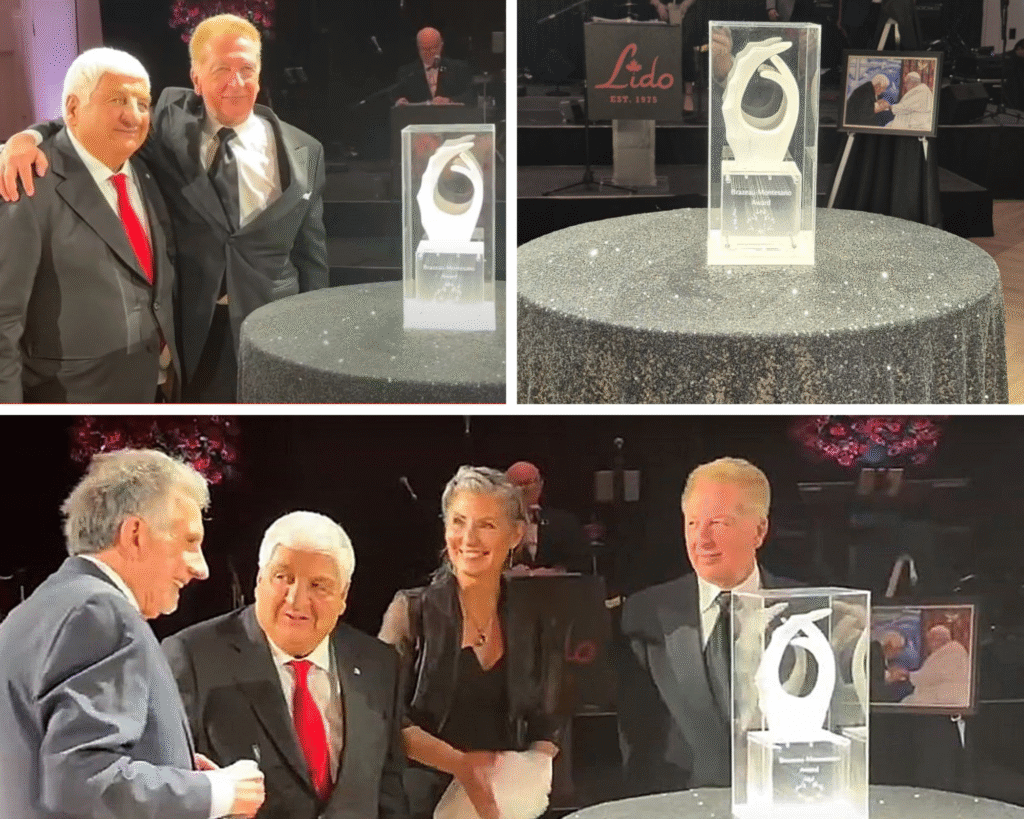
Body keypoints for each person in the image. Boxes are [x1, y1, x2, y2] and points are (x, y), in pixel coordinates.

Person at [0, 13, 328, 402]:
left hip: (275, 323)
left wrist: (315, 338)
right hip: (195, 333)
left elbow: (312, 256)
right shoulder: (166, 123)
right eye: (222, 70)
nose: (236, 82)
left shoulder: (305, 150)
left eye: (246, 69)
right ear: (196, 79)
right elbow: (90, 119)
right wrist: (25, 138)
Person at [0, 448, 266, 819]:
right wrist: (217, 792)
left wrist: (172, 768)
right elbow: (84, 782)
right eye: (190, 541)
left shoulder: (29, 615)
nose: (201, 568)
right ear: (136, 535)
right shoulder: (100, 612)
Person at [163, 511, 409, 819]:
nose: (296, 600)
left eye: (318, 585)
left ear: (343, 595)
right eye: (283, 577)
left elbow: (389, 794)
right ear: (259, 579)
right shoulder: (193, 658)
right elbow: (173, 793)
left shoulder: (378, 665)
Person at [379, 466, 561, 819]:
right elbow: (383, 716)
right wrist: (463, 767)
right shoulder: (411, 611)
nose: (469, 538)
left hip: (502, 799)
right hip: (418, 802)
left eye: (487, 525)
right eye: (458, 522)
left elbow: (549, 718)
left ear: (515, 534)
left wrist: (530, 775)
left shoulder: (534, 617)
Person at [0, 48, 178, 402]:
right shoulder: (28, 185)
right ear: (72, 109)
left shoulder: (147, 168)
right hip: (69, 401)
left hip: (153, 389)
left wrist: (29, 135)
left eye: (143, 104)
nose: (134, 115)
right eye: (118, 99)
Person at [617, 457, 798, 793]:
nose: (701, 540)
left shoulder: (808, 612)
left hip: (785, 799)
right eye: (692, 523)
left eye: (718, 523)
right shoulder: (646, 615)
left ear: (759, 531)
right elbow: (638, 739)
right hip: (681, 804)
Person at [505, 461, 591, 574]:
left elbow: (580, 562)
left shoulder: (564, 522)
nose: (524, 489)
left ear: (540, 485)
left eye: (529, 483)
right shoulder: (496, 523)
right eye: (518, 484)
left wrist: (555, 572)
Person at [393, 27, 475, 106]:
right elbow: (395, 97)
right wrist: (399, 101)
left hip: (450, 114)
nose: (430, 52)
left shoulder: (458, 68)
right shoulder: (407, 73)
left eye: (433, 48)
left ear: (441, 46)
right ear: (418, 48)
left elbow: (471, 96)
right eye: (425, 49)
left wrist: (449, 101)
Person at [899, 625, 971, 707]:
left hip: (945, 698)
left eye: (930, 640)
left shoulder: (951, 652)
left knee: (905, 703)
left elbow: (930, 676)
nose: (928, 644)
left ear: (936, 639)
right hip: (940, 696)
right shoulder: (947, 652)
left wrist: (907, 675)